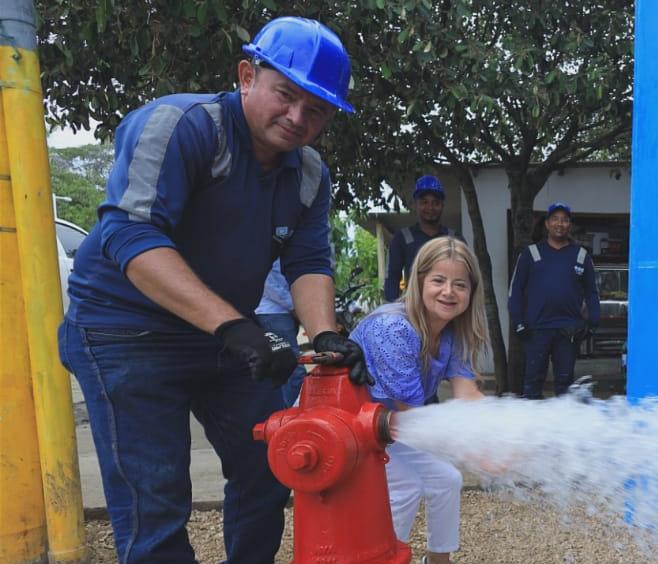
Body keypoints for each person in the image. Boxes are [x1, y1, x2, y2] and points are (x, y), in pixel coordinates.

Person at [57, 17, 370, 562]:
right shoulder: (182, 124)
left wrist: (325, 335)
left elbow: (309, 260)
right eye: (286, 95)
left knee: (276, 466)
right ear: (247, 75)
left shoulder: (310, 174)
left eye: (316, 109)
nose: (298, 117)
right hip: (122, 333)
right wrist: (235, 326)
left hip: (222, 335)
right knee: (155, 502)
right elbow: (129, 235)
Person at [351, 236, 488, 564]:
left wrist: (501, 437)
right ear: (419, 281)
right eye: (438, 280)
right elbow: (411, 412)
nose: (449, 292)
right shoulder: (393, 328)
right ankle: (381, 559)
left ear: (471, 291)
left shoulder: (456, 332)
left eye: (460, 284)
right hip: (350, 424)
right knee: (407, 484)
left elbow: (467, 395)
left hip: (389, 425)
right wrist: (476, 449)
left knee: (447, 478)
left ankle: (438, 561)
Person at [508, 202, 600, 399]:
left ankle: (564, 428)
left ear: (570, 225)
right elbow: (515, 290)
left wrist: (592, 322)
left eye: (565, 220)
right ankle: (531, 428)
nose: (560, 224)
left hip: (568, 332)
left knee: (566, 388)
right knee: (532, 384)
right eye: (555, 219)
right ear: (547, 224)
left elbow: (592, 292)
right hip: (536, 330)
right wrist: (518, 321)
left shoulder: (581, 255)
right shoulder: (530, 254)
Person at [384, 175, 461, 302]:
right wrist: (394, 311)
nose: (430, 208)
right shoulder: (402, 238)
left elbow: (466, 278)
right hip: (414, 310)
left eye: (435, 203)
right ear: (415, 204)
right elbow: (392, 278)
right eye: (424, 202)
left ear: (442, 205)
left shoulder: (455, 239)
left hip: (447, 307)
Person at [256, 259, 308, 405]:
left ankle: (285, 411)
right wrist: (295, 307)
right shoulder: (271, 248)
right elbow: (270, 285)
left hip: (278, 313)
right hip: (274, 313)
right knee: (293, 368)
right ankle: (293, 414)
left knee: (280, 367)